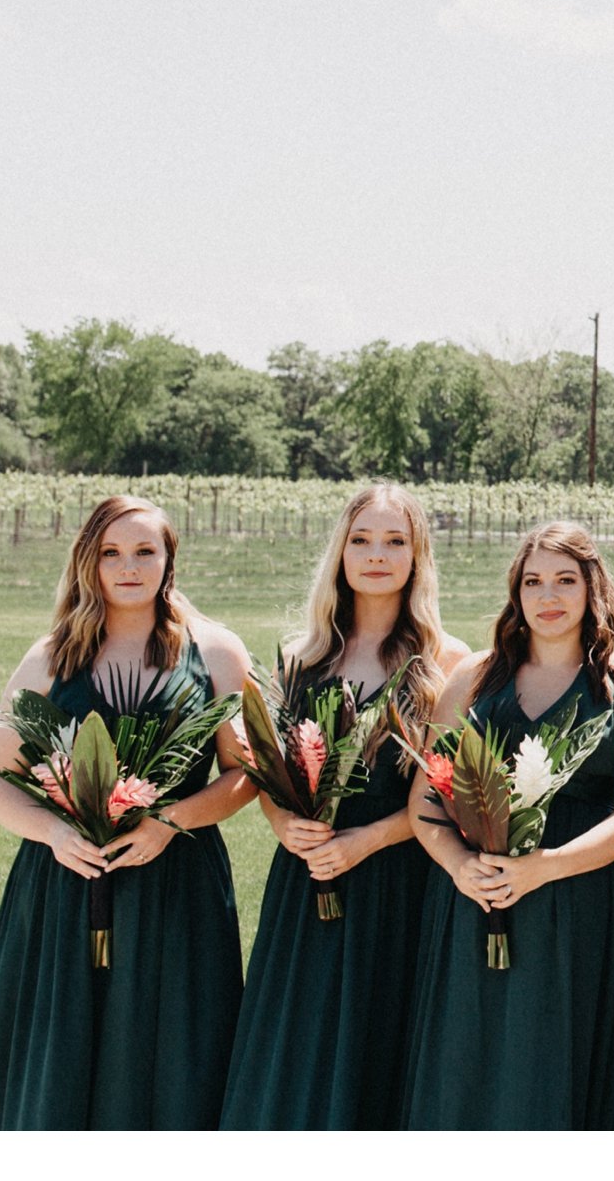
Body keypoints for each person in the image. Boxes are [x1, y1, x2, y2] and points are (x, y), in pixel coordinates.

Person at [0, 494, 255, 1128]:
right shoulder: (51, 657)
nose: (129, 567)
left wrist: (168, 822)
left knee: (174, 1053)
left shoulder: (217, 654)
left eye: (145, 551)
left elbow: (245, 776)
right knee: (63, 1052)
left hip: (178, 886)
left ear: (168, 559)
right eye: (111, 553)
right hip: (63, 885)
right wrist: (52, 832)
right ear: (88, 564)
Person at [222, 483, 470, 1127]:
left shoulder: (449, 663)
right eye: (361, 540)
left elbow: (444, 797)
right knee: (295, 1039)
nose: (377, 555)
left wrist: (364, 841)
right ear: (340, 553)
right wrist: (286, 827)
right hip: (306, 881)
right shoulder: (300, 660)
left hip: (398, 878)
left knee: (377, 1045)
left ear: (418, 557)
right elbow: (268, 776)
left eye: (395, 541)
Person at [399, 521, 614, 1129]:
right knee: (465, 1055)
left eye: (566, 581)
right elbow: (425, 802)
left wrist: (545, 867)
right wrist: (463, 868)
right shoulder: (473, 678)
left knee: (556, 1059)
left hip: (578, 899)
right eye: (533, 582)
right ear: (515, 593)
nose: (549, 597)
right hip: (473, 894)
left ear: (593, 590)